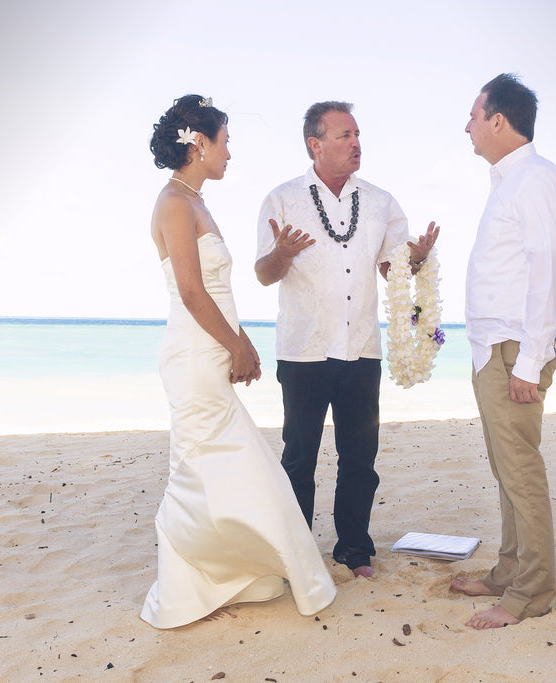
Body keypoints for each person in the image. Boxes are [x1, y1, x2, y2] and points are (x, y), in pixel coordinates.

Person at [141, 94, 336, 629]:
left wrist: (240, 340)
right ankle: (193, 580)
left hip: (211, 347)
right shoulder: (174, 204)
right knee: (211, 467)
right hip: (193, 355)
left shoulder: (197, 201)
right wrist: (238, 346)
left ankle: (234, 572)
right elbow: (189, 290)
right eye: (226, 141)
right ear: (198, 143)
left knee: (223, 468)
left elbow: (218, 290)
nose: (231, 152)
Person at [255, 101, 439, 578]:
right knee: (299, 455)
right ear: (315, 145)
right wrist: (281, 253)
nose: (356, 143)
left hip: (361, 350)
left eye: (357, 134)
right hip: (304, 350)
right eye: (344, 136)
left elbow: (392, 268)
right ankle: (294, 550)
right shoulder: (282, 199)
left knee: (361, 457)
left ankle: (354, 549)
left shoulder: (380, 202)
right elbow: (263, 274)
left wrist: (415, 259)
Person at [450, 74, 556, 629]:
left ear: (500, 120)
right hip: (491, 351)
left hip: (513, 354)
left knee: (521, 471)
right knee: (505, 470)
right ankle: (507, 571)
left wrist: (529, 360)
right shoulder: (507, 182)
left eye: (474, 116)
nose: (468, 126)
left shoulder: (537, 179)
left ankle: (529, 593)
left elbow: (546, 271)